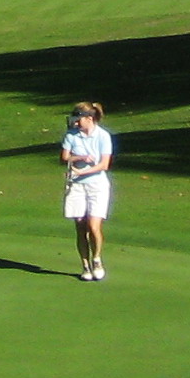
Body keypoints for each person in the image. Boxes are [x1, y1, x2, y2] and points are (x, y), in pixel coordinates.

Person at [61, 103, 113, 281]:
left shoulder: (103, 136)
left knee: (93, 225)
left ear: (89, 119)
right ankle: (85, 266)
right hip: (76, 186)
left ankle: (96, 259)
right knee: (80, 226)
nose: (75, 122)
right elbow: (64, 157)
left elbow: (104, 165)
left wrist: (83, 171)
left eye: (79, 119)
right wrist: (80, 158)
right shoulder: (71, 135)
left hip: (97, 186)